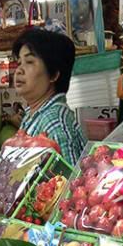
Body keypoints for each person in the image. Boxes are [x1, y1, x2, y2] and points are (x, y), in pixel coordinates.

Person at [12, 27, 86, 165]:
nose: (19, 70)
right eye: (19, 63)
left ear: (53, 75)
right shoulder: (33, 114)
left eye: (29, 62)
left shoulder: (54, 122)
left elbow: (69, 182)